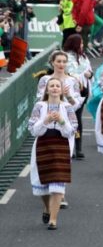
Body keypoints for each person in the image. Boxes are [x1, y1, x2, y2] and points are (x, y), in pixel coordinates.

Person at [28, 77, 78, 230]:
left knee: (57, 183)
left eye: (58, 85)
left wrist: (62, 121)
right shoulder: (39, 106)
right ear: (47, 89)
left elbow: (72, 130)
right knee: (41, 183)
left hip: (60, 146)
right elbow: (32, 130)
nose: (55, 88)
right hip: (43, 145)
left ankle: (53, 220)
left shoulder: (68, 107)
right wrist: (46, 120)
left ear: (62, 89)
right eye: (52, 86)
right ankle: (47, 207)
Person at [62, 35, 93, 159]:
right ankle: (67, 147)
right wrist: (81, 75)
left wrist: (89, 74)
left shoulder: (83, 57)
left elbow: (90, 72)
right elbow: (68, 73)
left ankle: (78, 148)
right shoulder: (65, 57)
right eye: (80, 43)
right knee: (67, 118)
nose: (82, 45)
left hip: (82, 91)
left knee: (78, 120)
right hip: (68, 92)